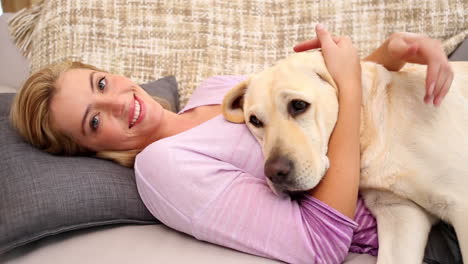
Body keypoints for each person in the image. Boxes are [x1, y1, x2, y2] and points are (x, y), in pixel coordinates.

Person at [9, 24, 458, 264]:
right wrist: (349, 80)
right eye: (93, 120)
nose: (118, 103)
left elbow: (314, 101)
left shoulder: (215, 90)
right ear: (90, 150)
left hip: (411, 155)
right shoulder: (162, 168)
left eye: (101, 82)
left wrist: (390, 56)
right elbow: (321, 242)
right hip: (411, 210)